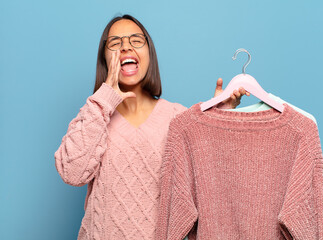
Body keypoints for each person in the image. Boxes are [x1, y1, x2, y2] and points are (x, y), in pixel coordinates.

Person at [55, 14, 249, 240]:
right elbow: (73, 173)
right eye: (115, 43)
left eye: (136, 40)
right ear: (105, 59)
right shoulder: (94, 115)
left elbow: (207, 189)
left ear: (149, 53)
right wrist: (104, 99)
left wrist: (215, 117)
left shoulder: (177, 118)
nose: (126, 46)